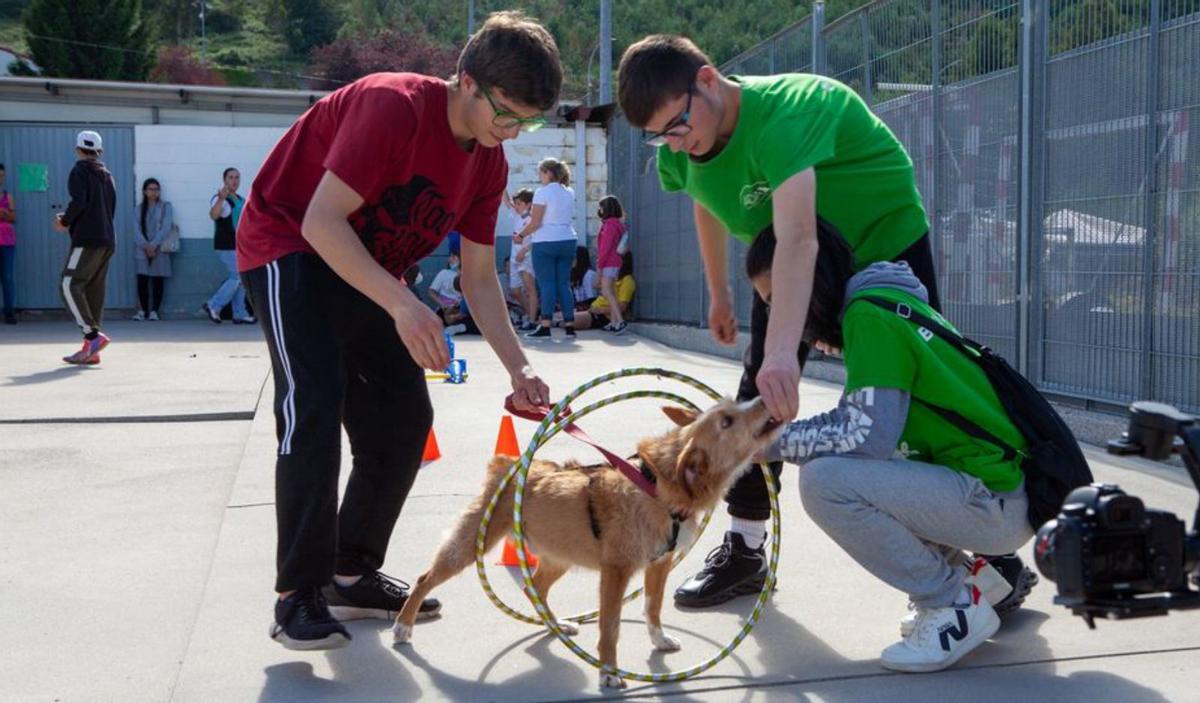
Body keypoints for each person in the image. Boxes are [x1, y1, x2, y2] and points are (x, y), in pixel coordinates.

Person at [617, 35, 1034, 608]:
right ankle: (744, 548)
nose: (673, 142)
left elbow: (800, 237)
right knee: (753, 403)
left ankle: (993, 555)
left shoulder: (787, 112)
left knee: (918, 397)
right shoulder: (680, 149)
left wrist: (787, 352)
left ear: (708, 81)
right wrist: (719, 293)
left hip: (878, 246)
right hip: (785, 259)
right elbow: (704, 198)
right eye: (659, 135)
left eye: (678, 124)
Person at [234, 11, 561, 651]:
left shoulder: (489, 164)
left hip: (370, 269)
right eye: (505, 112)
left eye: (528, 121)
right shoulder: (393, 107)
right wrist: (405, 305)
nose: (512, 131)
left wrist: (519, 367)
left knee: (405, 420)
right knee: (314, 409)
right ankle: (294, 594)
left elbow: (479, 276)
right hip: (289, 247)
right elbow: (322, 223)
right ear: (466, 81)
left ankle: (348, 572)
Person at [750, 226, 1033, 672]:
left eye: (777, 299)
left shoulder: (869, 317)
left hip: (994, 501)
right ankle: (975, 583)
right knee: (846, 468)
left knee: (826, 482)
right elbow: (863, 427)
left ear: (812, 276)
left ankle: (952, 604)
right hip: (996, 490)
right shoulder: (880, 304)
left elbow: (866, 436)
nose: (776, 315)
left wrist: (767, 444)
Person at [53, 131, 116, 364]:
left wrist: (65, 221)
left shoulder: (79, 171)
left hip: (87, 240)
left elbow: (79, 202)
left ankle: (92, 337)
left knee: (68, 284)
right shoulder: (107, 175)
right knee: (92, 291)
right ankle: (92, 351)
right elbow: (106, 208)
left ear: (77, 149)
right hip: (107, 240)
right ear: (99, 151)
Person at [515, 157, 576, 339]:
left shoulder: (542, 192)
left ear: (548, 173)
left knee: (547, 284)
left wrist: (520, 235)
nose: (539, 177)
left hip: (546, 241)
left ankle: (545, 326)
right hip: (568, 239)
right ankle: (570, 326)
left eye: (540, 173)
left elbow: (535, 222)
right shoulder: (569, 192)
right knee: (563, 284)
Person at [203, 167, 254, 324]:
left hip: (240, 245)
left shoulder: (242, 199)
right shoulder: (220, 199)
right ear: (224, 180)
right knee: (237, 276)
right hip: (225, 246)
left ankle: (239, 313)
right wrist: (220, 199)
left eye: (237, 177)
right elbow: (213, 215)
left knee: (241, 278)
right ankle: (214, 305)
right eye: (231, 177)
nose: (234, 180)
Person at [132, 178, 174, 321]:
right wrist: (145, 245)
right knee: (142, 279)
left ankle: (154, 311)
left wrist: (154, 245)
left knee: (158, 280)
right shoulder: (138, 209)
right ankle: (143, 310)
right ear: (144, 191)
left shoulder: (165, 207)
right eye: (150, 189)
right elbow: (135, 229)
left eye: (156, 189)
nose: (154, 192)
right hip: (142, 249)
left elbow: (166, 227)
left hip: (159, 248)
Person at [574, 251, 635, 333]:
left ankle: (557, 323)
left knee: (569, 321)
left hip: (603, 315)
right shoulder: (612, 278)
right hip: (593, 307)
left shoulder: (627, 281)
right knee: (561, 315)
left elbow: (622, 308)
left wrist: (600, 310)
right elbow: (596, 285)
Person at [594, 195, 628, 333]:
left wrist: (599, 266)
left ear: (606, 208)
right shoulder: (619, 224)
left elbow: (605, 247)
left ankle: (620, 321)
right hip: (616, 261)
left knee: (606, 291)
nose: (599, 210)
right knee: (612, 292)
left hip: (608, 261)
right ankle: (614, 322)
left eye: (601, 207)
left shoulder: (609, 225)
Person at [507, 189, 537, 330]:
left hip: (526, 258)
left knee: (530, 289)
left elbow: (535, 239)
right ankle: (530, 314)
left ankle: (532, 320)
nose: (516, 206)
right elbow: (506, 201)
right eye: (516, 203)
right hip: (514, 258)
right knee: (515, 291)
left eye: (519, 203)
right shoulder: (516, 215)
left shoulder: (532, 219)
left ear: (528, 204)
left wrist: (524, 251)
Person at [426, 252, 463, 323]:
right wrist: (443, 305)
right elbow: (431, 292)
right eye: (450, 257)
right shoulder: (444, 273)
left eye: (453, 257)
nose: (450, 260)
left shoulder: (466, 275)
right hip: (445, 309)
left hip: (460, 310)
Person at [0, 163, 16, 324]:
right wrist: (5, 213)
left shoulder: (8, 197)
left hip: (7, 241)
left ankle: (9, 312)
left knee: (8, 277)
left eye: (2, 176)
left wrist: (5, 213)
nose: (1, 179)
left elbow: (13, 217)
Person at [569, 244, 596, 309]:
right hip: (580, 308)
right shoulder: (575, 274)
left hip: (591, 309)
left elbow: (592, 300)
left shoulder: (589, 275)